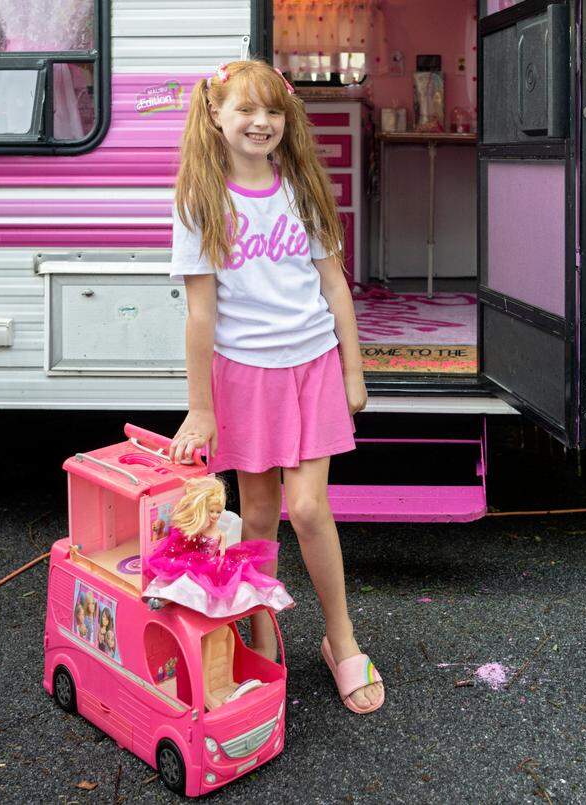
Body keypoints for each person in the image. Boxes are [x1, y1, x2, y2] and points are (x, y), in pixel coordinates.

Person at [166, 59, 383, 713]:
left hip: (312, 364)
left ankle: (340, 639)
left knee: (310, 507)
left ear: (287, 121)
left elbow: (334, 285)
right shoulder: (200, 202)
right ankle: (262, 632)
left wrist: (352, 367)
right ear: (217, 116)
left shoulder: (304, 188)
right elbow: (200, 315)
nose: (261, 123)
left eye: (274, 111)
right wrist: (199, 409)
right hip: (244, 376)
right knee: (257, 513)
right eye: (246, 110)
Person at [143, 476, 294, 618]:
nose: (215, 515)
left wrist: (219, 562)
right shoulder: (201, 528)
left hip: (213, 562)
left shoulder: (220, 534)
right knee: (182, 577)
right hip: (196, 559)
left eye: (218, 512)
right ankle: (162, 598)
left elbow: (221, 553)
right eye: (211, 511)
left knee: (234, 586)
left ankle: (274, 600)